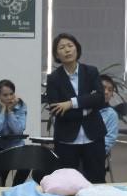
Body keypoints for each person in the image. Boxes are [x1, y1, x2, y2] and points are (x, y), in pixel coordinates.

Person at [45, 33, 108, 183]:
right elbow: (57, 111)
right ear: (56, 54)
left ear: (77, 49)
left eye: (70, 46)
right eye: (62, 47)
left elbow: (99, 99)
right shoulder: (53, 79)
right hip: (66, 139)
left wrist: (70, 104)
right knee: (67, 183)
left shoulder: (91, 72)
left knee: (97, 180)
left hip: (93, 136)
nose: (67, 50)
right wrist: (87, 107)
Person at [0, 79, 28, 152]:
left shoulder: (21, 106)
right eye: (5, 95)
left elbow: (18, 131)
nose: (9, 98)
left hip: (16, 146)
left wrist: (9, 111)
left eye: (11, 94)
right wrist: (3, 111)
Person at [100, 74, 120, 157]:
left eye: (110, 90)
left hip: (95, 154)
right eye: (103, 88)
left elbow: (109, 140)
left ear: (112, 94)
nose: (106, 92)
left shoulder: (111, 114)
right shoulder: (84, 109)